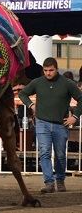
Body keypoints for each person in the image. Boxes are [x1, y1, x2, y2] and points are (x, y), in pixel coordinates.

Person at [19, 57, 82, 193]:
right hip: (42, 123)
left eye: (51, 70)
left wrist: (75, 117)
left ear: (57, 69)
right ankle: (49, 182)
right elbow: (23, 93)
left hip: (61, 124)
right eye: (46, 70)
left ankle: (60, 180)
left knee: (60, 155)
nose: (48, 73)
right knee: (45, 152)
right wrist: (31, 105)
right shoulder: (38, 82)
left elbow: (80, 98)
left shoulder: (67, 83)